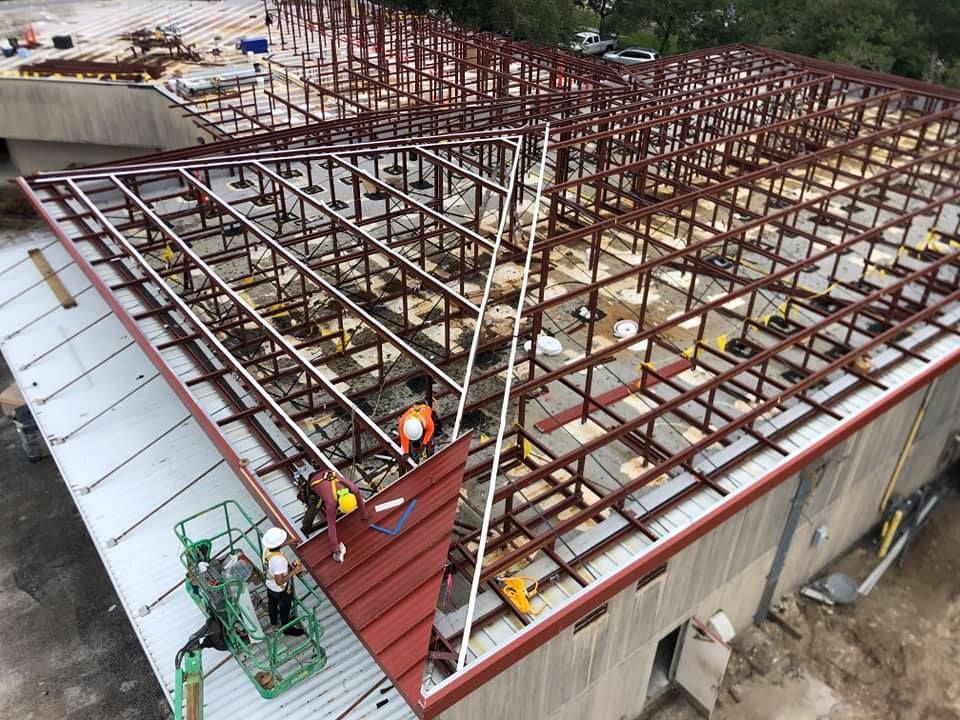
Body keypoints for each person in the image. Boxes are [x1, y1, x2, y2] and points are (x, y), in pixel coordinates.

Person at [300, 470, 369, 563]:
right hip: (314, 481)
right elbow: (331, 525)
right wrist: (335, 547)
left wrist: (364, 514)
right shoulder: (331, 503)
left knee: (325, 495)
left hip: (325, 475)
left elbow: (359, 497)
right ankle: (305, 529)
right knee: (313, 510)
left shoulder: (352, 488)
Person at [261, 527, 305, 637]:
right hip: (280, 590)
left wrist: (288, 542)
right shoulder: (278, 560)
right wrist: (294, 571)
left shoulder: (266, 549)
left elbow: (275, 548)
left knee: (272, 604)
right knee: (285, 609)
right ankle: (287, 628)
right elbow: (279, 581)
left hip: (269, 584)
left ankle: (274, 620)